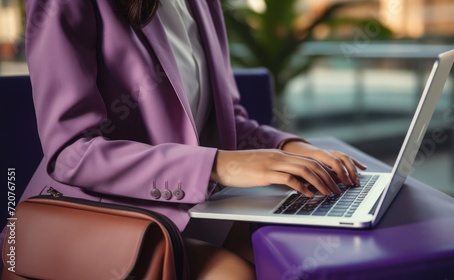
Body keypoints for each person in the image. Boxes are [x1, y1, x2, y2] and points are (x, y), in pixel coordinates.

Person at [19, 0, 366, 279]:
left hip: (186, 206)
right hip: (90, 217)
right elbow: (71, 152)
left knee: (287, 251)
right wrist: (216, 165)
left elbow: (231, 119)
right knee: (237, 273)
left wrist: (291, 148)